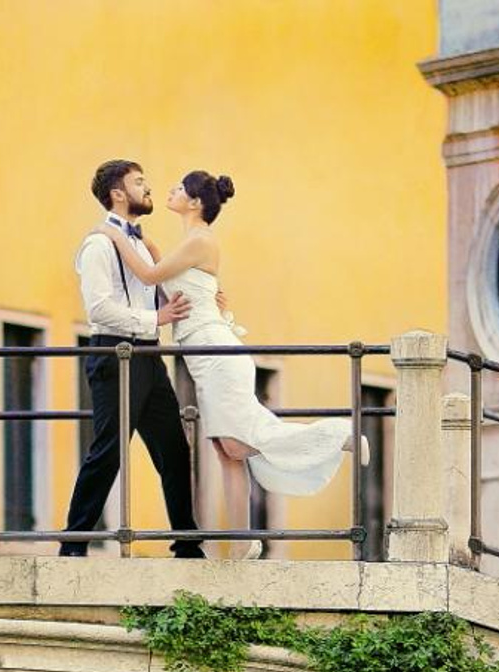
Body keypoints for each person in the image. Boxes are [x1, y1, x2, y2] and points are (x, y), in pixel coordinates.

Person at [99, 170, 363, 558]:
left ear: (194, 203)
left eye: (178, 188)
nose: (169, 191)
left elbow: (151, 275)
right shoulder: (191, 242)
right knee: (228, 452)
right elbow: (170, 277)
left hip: (217, 356)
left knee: (237, 445)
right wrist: (145, 242)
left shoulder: (200, 240)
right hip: (207, 357)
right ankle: (243, 544)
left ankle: (335, 436)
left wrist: (115, 235)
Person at [60, 159, 204, 558]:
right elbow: (99, 308)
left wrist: (170, 303)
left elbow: (149, 287)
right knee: (108, 450)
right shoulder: (97, 245)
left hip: (148, 354)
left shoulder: (138, 242)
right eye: (139, 182)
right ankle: (74, 543)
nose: (148, 187)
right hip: (114, 351)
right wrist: (154, 317)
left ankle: (187, 544)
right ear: (118, 193)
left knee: (174, 449)